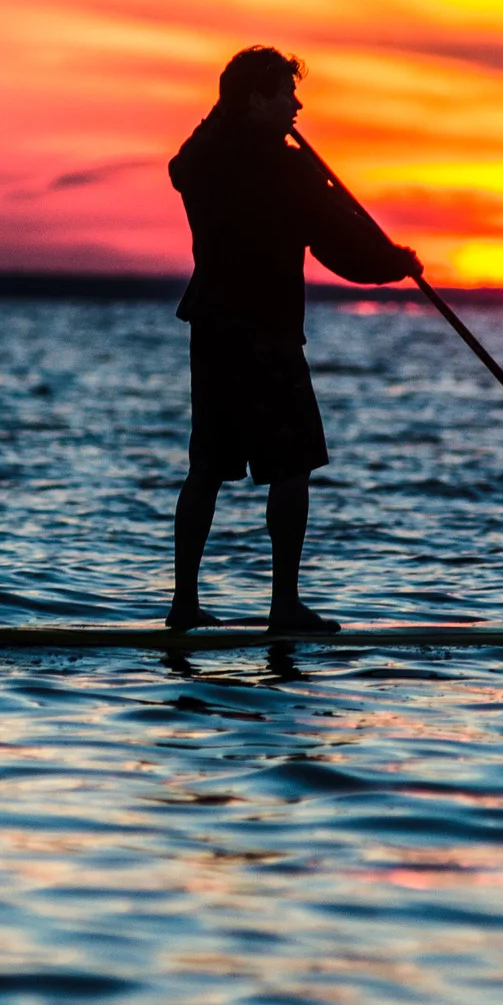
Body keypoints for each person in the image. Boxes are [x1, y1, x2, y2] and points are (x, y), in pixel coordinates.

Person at [166, 46, 421, 633]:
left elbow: (185, 164)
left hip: (211, 329)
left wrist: (228, 118)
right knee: (290, 467)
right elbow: (339, 243)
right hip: (267, 332)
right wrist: (395, 264)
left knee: (206, 466)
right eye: (285, 93)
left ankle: (183, 604)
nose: (297, 104)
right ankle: (284, 607)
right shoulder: (288, 171)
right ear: (256, 100)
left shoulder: (202, 158)